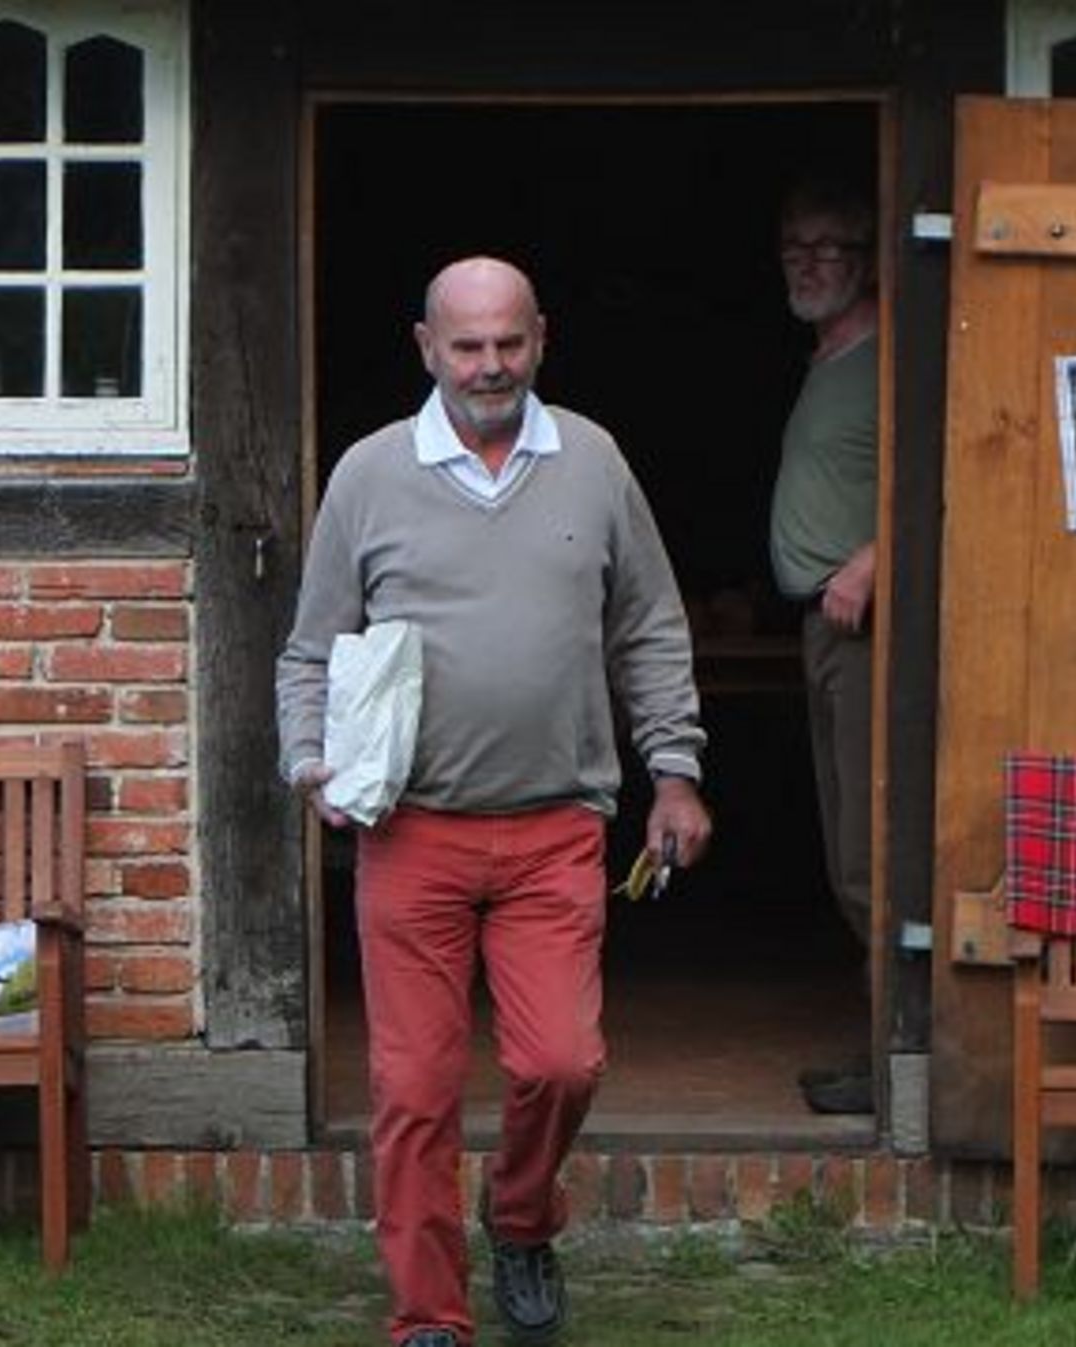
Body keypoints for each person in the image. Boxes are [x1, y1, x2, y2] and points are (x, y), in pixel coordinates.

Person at [278, 257, 712, 1347]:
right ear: (426, 347)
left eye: (508, 343)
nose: (489, 366)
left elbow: (650, 627)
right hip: (411, 831)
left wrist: (676, 770)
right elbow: (311, 649)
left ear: (541, 339)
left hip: (557, 826)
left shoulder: (593, 461)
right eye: (466, 345)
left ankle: (520, 1218)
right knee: (415, 1090)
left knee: (562, 1063)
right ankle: (429, 1314)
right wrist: (311, 763)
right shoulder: (371, 473)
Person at [768, 180, 880, 1117]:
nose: (809, 263)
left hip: (868, 628)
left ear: (869, 255)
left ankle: (902, 1058)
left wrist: (874, 561)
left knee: (867, 854)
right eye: (795, 247)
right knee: (847, 846)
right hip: (823, 625)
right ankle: (883, 1049)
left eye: (829, 245)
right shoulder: (827, 358)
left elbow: (947, 467)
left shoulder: (891, 357)